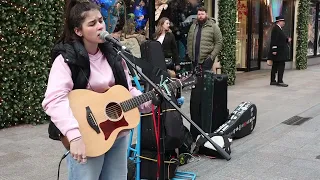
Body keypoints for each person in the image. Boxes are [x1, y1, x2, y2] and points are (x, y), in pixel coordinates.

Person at [41, 0, 152, 179]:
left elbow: (126, 90)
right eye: (92, 24)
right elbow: (54, 100)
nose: (100, 26)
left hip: (117, 131)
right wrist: (74, 136)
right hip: (86, 136)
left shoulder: (115, 54)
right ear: (79, 31)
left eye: (101, 20)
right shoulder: (66, 59)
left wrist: (145, 101)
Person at [187, 6, 223, 141]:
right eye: (199, 14)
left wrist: (211, 57)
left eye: (202, 14)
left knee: (203, 96)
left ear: (206, 14)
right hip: (194, 64)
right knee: (195, 97)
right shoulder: (193, 26)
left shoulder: (213, 26)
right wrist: (189, 56)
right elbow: (190, 41)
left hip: (205, 63)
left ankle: (204, 127)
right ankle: (195, 128)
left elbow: (219, 42)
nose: (200, 15)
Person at [269, 15, 291, 87]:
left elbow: (280, 39)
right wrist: (274, 49)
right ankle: (279, 81)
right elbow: (274, 40)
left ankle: (273, 80)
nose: (284, 23)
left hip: (279, 51)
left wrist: (287, 40)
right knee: (280, 65)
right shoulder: (276, 29)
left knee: (275, 65)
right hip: (279, 51)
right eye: (282, 21)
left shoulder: (279, 29)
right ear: (279, 21)